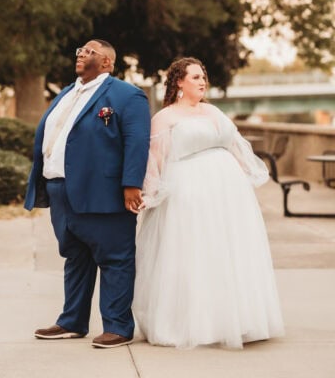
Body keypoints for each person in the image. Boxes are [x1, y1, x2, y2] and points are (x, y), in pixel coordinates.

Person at [133, 57, 284, 349]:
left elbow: (235, 145)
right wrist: (149, 194)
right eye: (194, 77)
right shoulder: (166, 118)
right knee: (195, 254)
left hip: (229, 195)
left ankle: (237, 319)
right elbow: (155, 160)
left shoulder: (214, 111)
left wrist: (244, 176)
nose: (202, 82)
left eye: (203, 77)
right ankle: (194, 323)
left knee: (228, 253)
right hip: (188, 192)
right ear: (178, 82)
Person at [24, 39, 151, 348]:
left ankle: (118, 326)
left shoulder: (126, 96)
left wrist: (131, 184)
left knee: (115, 258)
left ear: (107, 62)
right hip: (61, 190)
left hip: (103, 191)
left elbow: (137, 141)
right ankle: (72, 321)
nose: (81, 53)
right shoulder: (67, 93)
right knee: (75, 257)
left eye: (90, 51)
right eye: (79, 50)